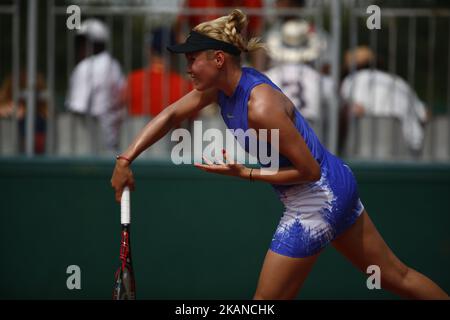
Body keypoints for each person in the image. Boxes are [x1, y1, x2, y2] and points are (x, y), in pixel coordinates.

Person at [110, 10, 449, 300]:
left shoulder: (260, 106)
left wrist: (247, 174)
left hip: (317, 199)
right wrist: (125, 159)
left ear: (218, 59)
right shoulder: (221, 88)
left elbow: (310, 171)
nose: (187, 68)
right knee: (396, 277)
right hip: (338, 184)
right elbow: (171, 115)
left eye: (192, 59)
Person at [340, 46, 428, 154]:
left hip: (373, 149)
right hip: (412, 149)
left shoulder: (352, 80)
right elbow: (425, 115)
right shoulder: (399, 81)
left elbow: (356, 110)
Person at [66, 18, 125, 154]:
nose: (79, 47)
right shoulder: (114, 65)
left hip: (88, 144)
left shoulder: (85, 67)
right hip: (113, 142)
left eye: (82, 43)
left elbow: (77, 108)